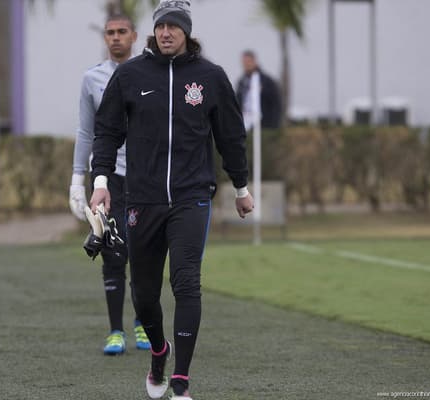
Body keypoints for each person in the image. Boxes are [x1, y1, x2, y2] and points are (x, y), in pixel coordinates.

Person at [89, 1, 254, 398]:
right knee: (144, 293)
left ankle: (180, 379)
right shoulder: (131, 75)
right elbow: (107, 131)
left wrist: (242, 188)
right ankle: (159, 352)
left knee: (186, 283)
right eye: (161, 26)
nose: (166, 33)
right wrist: (100, 182)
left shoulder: (210, 77)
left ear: (186, 32)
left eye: (173, 27)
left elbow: (231, 135)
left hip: (191, 197)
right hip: (141, 199)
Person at [69, 14, 151, 355]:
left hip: (146, 176)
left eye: (121, 32)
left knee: (145, 253)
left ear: (134, 36)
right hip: (108, 178)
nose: (115, 38)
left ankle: (144, 324)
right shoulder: (92, 79)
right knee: (114, 252)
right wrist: (77, 179)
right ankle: (115, 330)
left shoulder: (151, 74)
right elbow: (86, 131)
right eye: (110, 33)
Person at [235, 49, 281, 130]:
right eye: (244, 62)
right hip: (246, 124)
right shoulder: (242, 82)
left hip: (264, 125)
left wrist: (274, 126)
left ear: (254, 61)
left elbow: (275, 104)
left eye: (248, 61)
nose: (246, 65)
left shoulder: (266, 81)